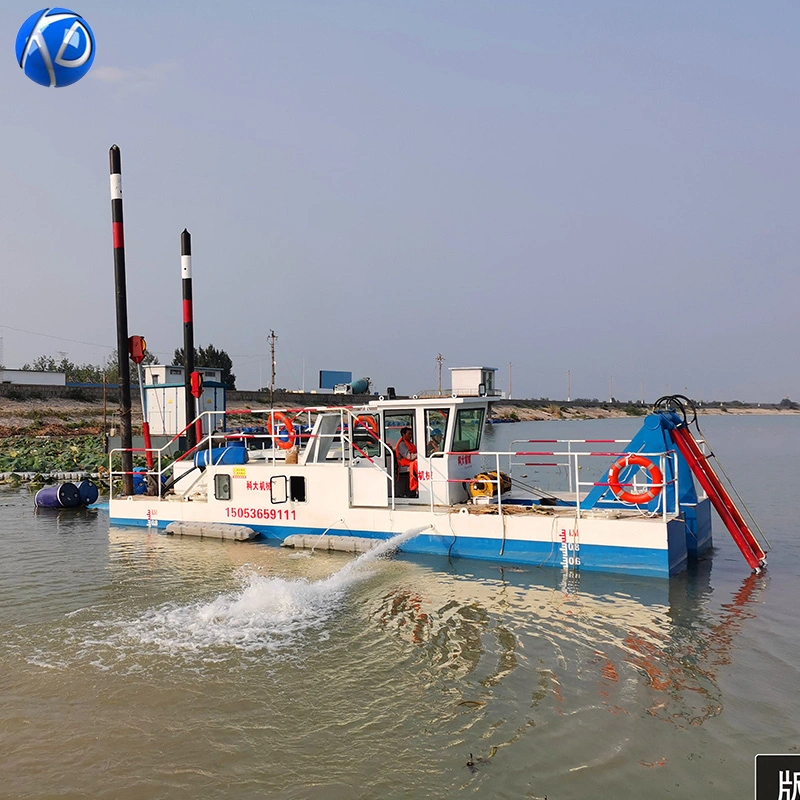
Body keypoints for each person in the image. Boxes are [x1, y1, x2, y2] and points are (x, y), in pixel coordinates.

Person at [395, 427, 418, 498]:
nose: (411, 436)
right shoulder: (402, 445)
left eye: (411, 434)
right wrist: (421, 454)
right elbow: (409, 457)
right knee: (408, 490)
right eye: (409, 434)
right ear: (403, 434)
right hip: (405, 469)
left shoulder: (410, 444)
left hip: (412, 467)